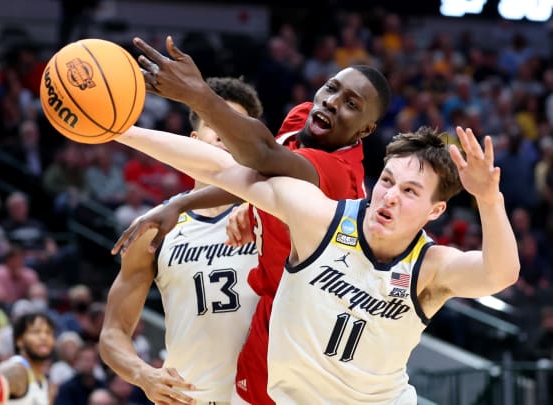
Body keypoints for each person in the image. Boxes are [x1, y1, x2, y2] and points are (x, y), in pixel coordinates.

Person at [112, 122, 519, 403]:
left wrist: (489, 198)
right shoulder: (320, 220)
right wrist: (120, 131)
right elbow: (220, 167)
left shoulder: (430, 266)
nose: (391, 195)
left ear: (436, 211)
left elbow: (500, 273)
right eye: (389, 181)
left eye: (411, 191)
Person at [114, 36, 390, 405]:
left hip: (307, 331)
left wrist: (195, 95)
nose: (331, 102)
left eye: (351, 105)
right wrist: (186, 203)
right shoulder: (303, 118)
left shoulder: (340, 174)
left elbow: (258, 156)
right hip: (269, 311)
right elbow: (258, 177)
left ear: (364, 131)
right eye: (332, 88)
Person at [100, 77, 263, 404]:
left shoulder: (273, 215)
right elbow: (112, 333)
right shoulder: (153, 227)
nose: (223, 131)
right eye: (213, 122)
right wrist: (142, 374)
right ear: (192, 139)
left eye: (234, 125)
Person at [0, 312, 56, 405]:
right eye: (36, 332)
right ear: (19, 341)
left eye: (48, 332)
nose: (43, 337)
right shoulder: (15, 370)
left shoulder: (44, 382)